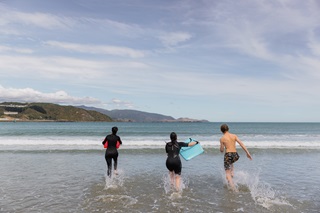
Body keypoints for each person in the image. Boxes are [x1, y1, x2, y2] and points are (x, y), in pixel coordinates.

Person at [219, 124, 252, 190]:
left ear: (221, 131)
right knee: (231, 162)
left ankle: (233, 188)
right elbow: (241, 144)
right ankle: (232, 173)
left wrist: (221, 146)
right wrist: (247, 153)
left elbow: (222, 150)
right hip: (235, 155)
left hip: (228, 155)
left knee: (227, 174)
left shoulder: (222, 138)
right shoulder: (234, 136)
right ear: (228, 129)